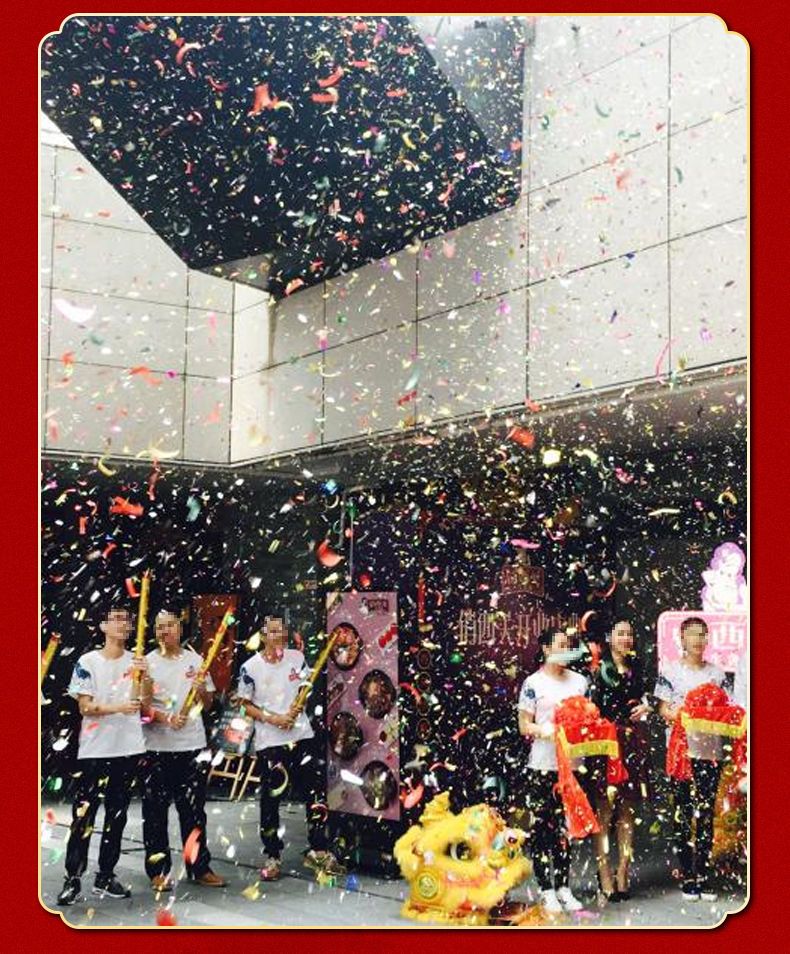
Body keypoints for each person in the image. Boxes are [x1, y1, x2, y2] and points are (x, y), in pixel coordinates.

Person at [236, 616, 345, 881]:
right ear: (263, 636)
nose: (279, 635)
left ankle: (319, 849)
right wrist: (274, 718)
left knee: (315, 792)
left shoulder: (297, 658)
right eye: (273, 631)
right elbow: (245, 705)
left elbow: (305, 686)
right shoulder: (250, 667)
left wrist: (299, 706)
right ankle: (272, 855)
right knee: (271, 799)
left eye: (282, 630)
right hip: (270, 742)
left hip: (302, 736)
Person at [57, 604, 150, 906]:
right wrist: (119, 708)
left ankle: (106, 875)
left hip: (128, 749)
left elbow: (145, 704)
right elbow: (85, 706)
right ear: (103, 626)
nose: (123, 624)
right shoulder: (88, 661)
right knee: (84, 816)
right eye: (117, 619)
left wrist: (146, 677)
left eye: (127, 620)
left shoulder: (137, 660)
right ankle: (73, 878)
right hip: (95, 751)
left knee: (117, 816)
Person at [140, 607, 227, 891]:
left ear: (179, 628)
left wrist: (201, 690)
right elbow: (141, 711)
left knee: (193, 811)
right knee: (155, 812)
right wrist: (165, 718)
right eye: (159, 627)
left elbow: (209, 704)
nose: (164, 631)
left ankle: (199, 867)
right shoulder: (146, 663)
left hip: (192, 746)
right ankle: (158, 871)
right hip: (156, 748)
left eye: (169, 626)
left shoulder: (196, 660)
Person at [654, 616, 727, 902]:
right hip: (680, 752)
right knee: (683, 813)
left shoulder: (717, 673)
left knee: (706, 813)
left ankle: (704, 874)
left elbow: (726, 710)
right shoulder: (670, 671)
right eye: (693, 634)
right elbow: (663, 709)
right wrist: (688, 713)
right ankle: (687, 875)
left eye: (702, 634)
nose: (698, 640)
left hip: (710, 752)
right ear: (682, 639)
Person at [518, 627, 588, 914]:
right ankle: (546, 889)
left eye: (568, 645)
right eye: (560, 645)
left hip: (572, 767)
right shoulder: (533, 683)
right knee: (542, 829)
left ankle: (563, 886)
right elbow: (524, 725)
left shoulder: (580, 681)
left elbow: (588, 717)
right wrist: (544, 730)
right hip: (543, 766)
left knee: (566, 829)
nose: (566, 650)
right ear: (546, 649)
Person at [587, 618, 651, 902]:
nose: (626, 638)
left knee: (627, 811)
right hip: (605, 745)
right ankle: (603, 871)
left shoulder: (638, 668)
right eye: (620, 633)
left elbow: (649, 699)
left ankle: (623, 871)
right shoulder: (597, 669)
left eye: (629, 634)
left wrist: (647, 707)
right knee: (604, 810)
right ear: (610, 637)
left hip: (632, 743)